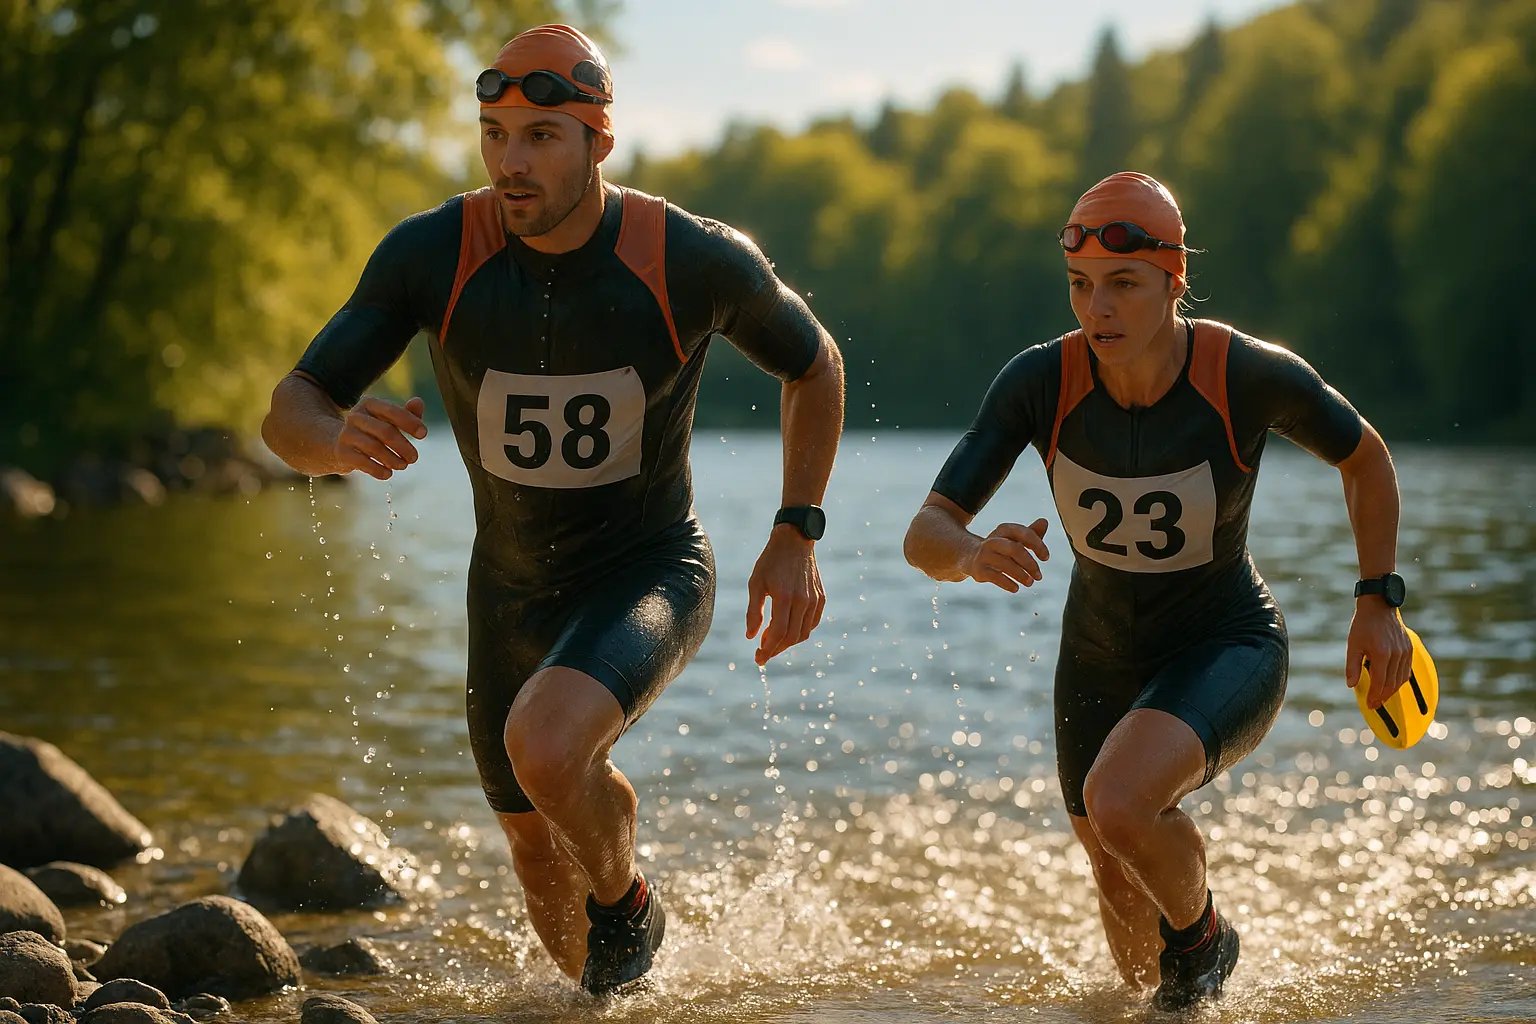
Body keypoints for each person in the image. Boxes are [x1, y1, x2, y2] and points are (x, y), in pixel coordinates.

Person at [260, 24, 845, 995]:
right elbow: (291, 406)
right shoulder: (433, 252)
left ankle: (629, 899)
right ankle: (605, 1000)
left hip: (650, 570)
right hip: (509, 595)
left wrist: (797, 531)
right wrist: (334, 440)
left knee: (547, 742)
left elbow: (812, 362)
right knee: (534, 852)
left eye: (540, 136)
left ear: (599, 142)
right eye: (494, 133)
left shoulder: (686, 257)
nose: (510, 163)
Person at [902, 171, 1412, 1011]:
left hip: (1226, 644)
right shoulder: (1039, 382)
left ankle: (1205, 937)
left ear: (1174, 283)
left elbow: (1366, 458)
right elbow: (927, 531)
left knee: (1121, 800)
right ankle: (1179, 985)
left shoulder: (1243, 373)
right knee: (1117, 877)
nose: (1096, 309)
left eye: (1124, 285)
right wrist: (971, 551)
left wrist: (1376, 601)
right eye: (1080, 287)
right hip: (1096, 656)